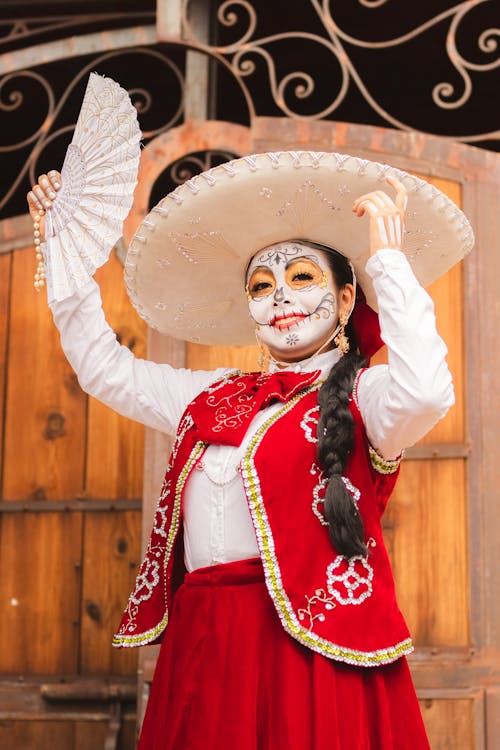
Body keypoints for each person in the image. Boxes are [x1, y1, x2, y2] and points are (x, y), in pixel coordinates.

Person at [27, 151, 472, 749]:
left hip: (311, 653)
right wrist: (66, 247)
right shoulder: (211, 395)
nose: (280, 296)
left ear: (345, 302)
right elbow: (104, 370)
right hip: (206, 642)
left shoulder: (368, 395)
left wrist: (387, 263)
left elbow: (427, 392)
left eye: (302, 278)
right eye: (262, 285)